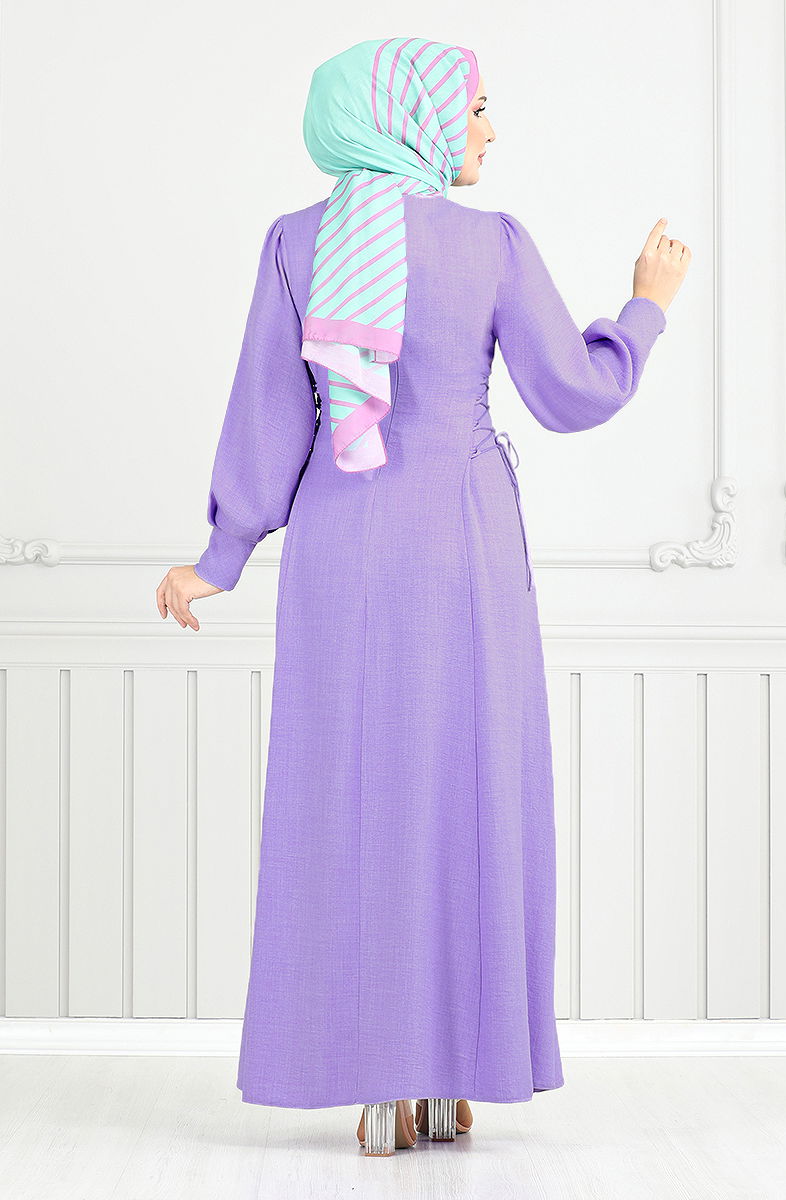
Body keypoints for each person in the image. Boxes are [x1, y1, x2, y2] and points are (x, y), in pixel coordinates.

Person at [156, 37, 690, 1158]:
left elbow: (271, 409)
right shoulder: (489, 244)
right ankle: (451, 1072)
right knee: (469, 793)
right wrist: (644, 308)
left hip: (340, 545)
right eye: (476, 108)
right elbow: (571, 390)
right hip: (460, 540)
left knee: (351, 797)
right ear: (408, 115)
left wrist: (220, 554)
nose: (489, 128)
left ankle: (379, 1081)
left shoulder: (298, 241)